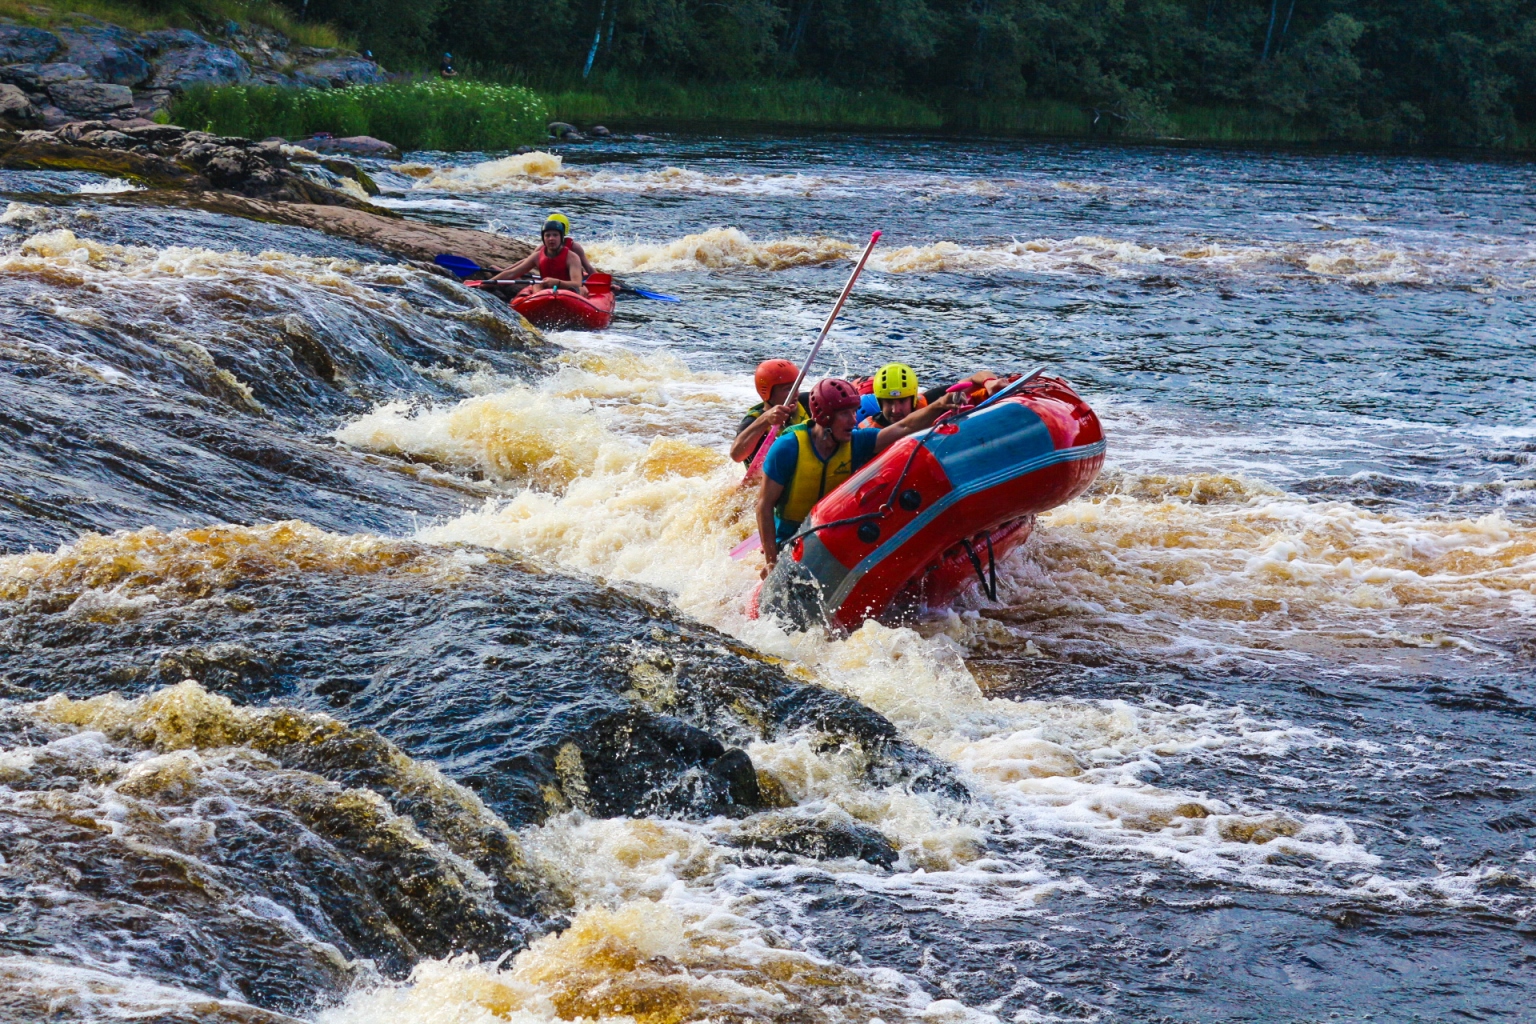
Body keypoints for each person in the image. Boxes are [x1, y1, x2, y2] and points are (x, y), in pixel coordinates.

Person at [757, 377, 958, 576]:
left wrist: (939, 405)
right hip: (788, 540)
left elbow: (903, 427)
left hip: (830, 539)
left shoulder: (856, 442)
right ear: (825, 416)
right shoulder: (788, 447)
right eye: (845, 414)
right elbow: (764, 506)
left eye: (854, 412)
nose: (854, 420)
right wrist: (771, 563)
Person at [859, 362, 1002, 428]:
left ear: (913, 399)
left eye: (902, 401)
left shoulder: (930, 399)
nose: (896, 410)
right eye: (889, 402)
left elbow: (974, 379)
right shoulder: (869, 432)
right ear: (879, 402)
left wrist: (990, 382)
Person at [731, 358, 809, 466]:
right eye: (788, 389)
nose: (795, 394)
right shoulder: (752, 422)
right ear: (767, 393)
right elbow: (736, 456)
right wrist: (765, 419)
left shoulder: (807, 402)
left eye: (796, 387)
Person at [487, 217, 586, 298]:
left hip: (568, 290)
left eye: (555, 235)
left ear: (561, 238)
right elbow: (512, 273)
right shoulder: (537, 256)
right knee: (537, 284)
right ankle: (540, 301)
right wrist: (488, 283)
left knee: (582, 290)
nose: (551, 238)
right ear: (543, 238)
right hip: (546, 290)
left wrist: (557, 282)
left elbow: (577, 283)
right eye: (547, 235)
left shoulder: (572, 257)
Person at [545, 212, 597, 276]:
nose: (551, 238)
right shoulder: (542, 248)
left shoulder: (575, 247)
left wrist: (604, 282)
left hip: (572, 280)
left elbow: (588, 268)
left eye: (555, 233)